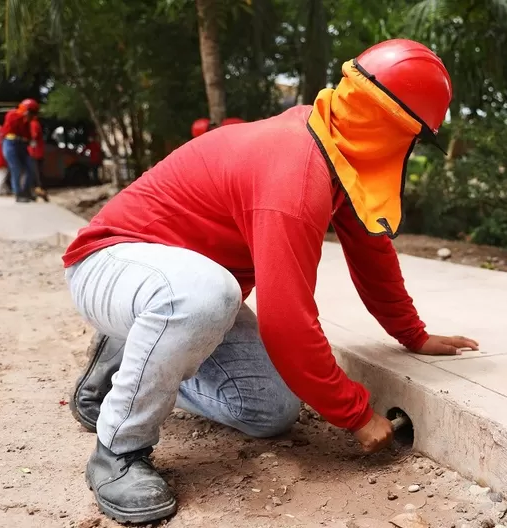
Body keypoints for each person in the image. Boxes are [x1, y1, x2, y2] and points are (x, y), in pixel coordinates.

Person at [62, 39, 478, 524]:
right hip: (111, 261)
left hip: (180, 293)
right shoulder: (296, 172)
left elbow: (370, 247)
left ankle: (134, 350)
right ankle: (118, 451)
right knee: (204, 295)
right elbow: (287, 322)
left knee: (268, 410)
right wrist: (356, 415)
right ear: (395, 129)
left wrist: (413, 334)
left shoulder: (335, 141)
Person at [0, 98, 40, 202]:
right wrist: (23, 116)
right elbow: (11, 125)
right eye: (31, 112)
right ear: (26, 110)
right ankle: (18, 194)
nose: (32, 116)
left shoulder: (28, 122)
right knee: (16, 168)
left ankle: (26, 192)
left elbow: (28, 135)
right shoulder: (12, 114)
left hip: (22, 145)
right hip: (10, 144)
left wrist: (31, 141)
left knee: (30, 167)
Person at [27, 117, 49, 202]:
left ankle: (38, 192)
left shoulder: (33, 124)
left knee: (35, 175)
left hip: (34, 154)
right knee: (36, 174)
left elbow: (33, 136)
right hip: (36, 153)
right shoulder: (34, 123)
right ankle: (38, 192)